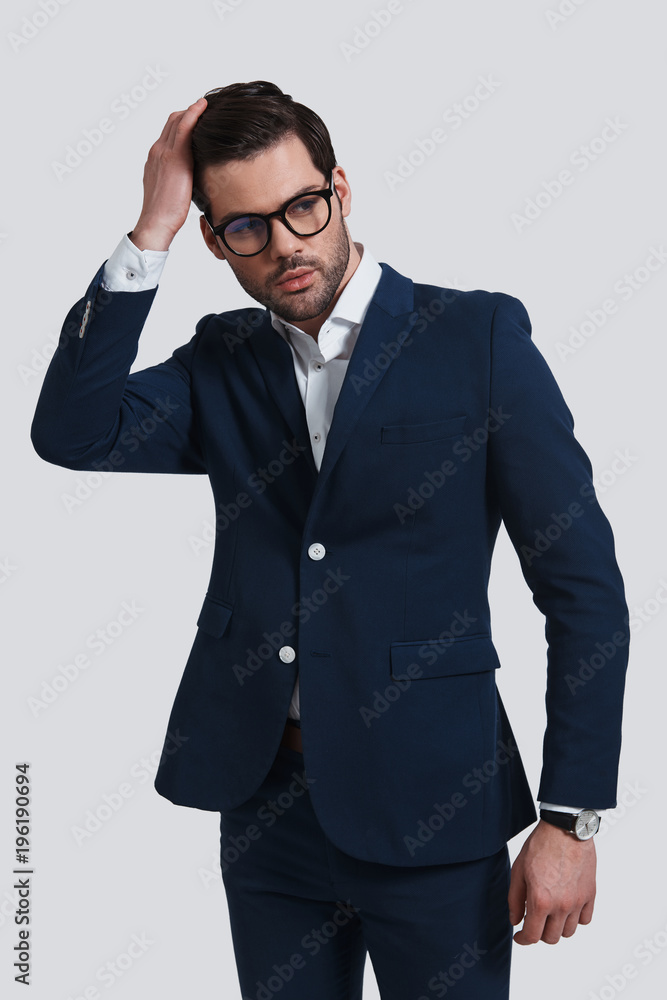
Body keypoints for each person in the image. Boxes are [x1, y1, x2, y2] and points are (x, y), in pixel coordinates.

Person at [31, 81, 629, 999]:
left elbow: (582, 588)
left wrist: (571, 816)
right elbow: (72, 432)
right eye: (246, 227)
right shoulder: (221, 360)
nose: (284, 245)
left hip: (434, 805)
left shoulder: (474, 338)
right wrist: (148, 232)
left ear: (339, 190)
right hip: (265, 807)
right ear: (213, 239)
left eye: (302, 208)